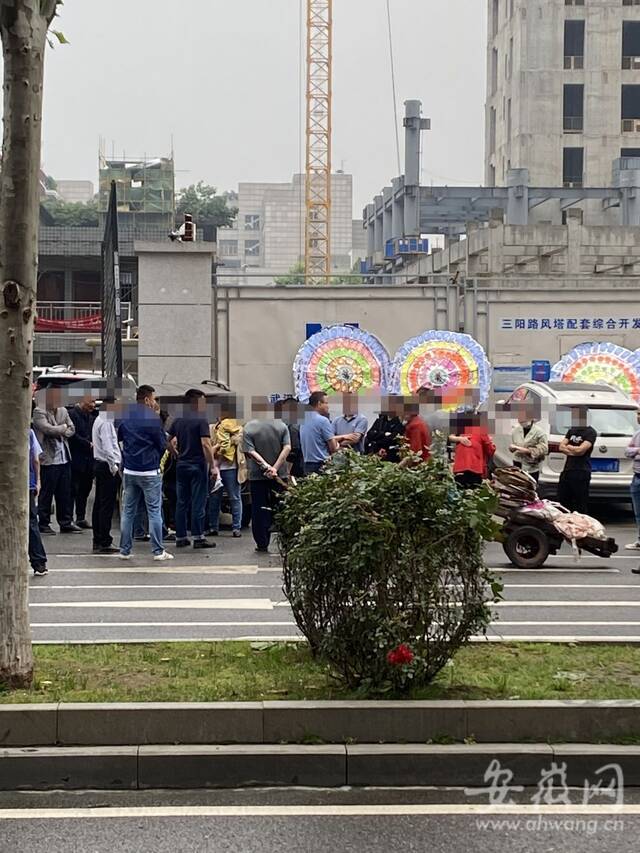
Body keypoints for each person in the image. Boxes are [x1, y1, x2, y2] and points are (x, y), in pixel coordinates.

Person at [118, 384, 173, 561]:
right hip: (150, 470)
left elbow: (120, 437)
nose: (155, 403)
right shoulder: (152, 418)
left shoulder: (125, 415)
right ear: (147, 399)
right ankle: (158, 551)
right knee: (154, 511)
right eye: (154, 399)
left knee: (128, 511)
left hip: (130, 469)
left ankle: (125, 550)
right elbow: (162, 444)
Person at [168, 389, 217, 550]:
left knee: (181, 502)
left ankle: (181, 537)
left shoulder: (178, 420)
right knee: (198, 502)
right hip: (197, 464)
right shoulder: (201, 420)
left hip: (181, 464)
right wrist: (213, 466)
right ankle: (198, 537)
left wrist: (176, 453)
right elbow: (205, 444)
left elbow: (167, 440)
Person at [242, 400, 292, 553]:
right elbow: (287, 447)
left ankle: (262, 542)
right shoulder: (281, 426)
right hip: (280, 475)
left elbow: (250, 452)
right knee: (282, 507)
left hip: (258, 476)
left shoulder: (249, 427)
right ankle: (285, 541)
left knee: (258, 508)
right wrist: (275, 468)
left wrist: (266, 466)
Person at [32, 388, 81, 535]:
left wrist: (61, 429)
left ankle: (65, 522)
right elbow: (47, 430)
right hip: (48, 458)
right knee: (46, 493)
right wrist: (62, 428)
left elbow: (72, 428)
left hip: (64, 458)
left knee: (65, 492)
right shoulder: (39, 411)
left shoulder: (63, 410)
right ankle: (44, 523)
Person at [207, 409, 246, 538]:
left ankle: (236, 527)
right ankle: (213, 526)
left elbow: (239, 441)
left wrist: (224, 443)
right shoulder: (212, 428)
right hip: (216, 467)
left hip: (232, 467)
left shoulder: (239, 429)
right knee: (214, 498)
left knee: (234, 497)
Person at [92, 397, 122, 554]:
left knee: (99, 503)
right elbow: (108, 446)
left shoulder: (99, 420)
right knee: (106, 505)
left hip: (100, 464)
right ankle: (104, 539)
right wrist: (113, 466)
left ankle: (98, 538)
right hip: (106, 466)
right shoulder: (106, 422)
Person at [557, 408, 597, 514]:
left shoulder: (590, 432)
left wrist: (569, 447)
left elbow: (581, 450)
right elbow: (561, 447)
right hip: (568, 470)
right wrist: (573, 451)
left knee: (580, 503)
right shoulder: (572, 430)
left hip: (581, 471)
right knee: (563, 500)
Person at [68, 394, 97, 529]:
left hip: (89, 460)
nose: (93, 405)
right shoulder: (72, 415)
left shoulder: (92, 417)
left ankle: (81, 517)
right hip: (76, 458)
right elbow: (72, 435)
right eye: (91, 402)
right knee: (72, 489)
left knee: (85, 490)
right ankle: (68, 519)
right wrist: (87, 444)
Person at [450, 410, 496, 489]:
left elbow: (450, 437)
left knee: (460, 490)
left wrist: (460, 439)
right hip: (474, 468)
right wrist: (492, 444)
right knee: (473, 491)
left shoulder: (463, 428)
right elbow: (490, 450)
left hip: (460, 467)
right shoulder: (481, 430)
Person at [300, 391, 339, 475]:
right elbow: (333, 448)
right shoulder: (323, 421)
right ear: (319, 403)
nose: (328, 406)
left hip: (307, 464)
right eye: (326, 403)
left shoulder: (303, 420)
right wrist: (338, 445)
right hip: (321, 465)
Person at [509, 405, 548, 483]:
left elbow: (544, 450)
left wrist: (526, 450)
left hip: (531, 468)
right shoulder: (516, 430)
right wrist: (512, 448)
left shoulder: (539, 432)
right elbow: (514, 445)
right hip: (517, 464)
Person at [28, 428, 48, 575]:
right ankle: (39, 562)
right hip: (27, 482)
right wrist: (38, 480)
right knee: (31, 522)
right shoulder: (28, 432)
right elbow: (35, 459)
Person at [364, 396, 406, 463]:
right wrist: (384, 434)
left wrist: (377, 437)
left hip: (389, 455)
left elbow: (392, 439)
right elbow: (369, 434)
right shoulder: (380, 420)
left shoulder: (399, 423)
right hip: (374, 452)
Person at [625, 409, 640, 551]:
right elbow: (627, 451)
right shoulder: (637, 434)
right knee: (637, 512)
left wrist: (634, 451)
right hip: (636, 477)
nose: (638, 417)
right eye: (638, 414)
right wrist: (636, 451)